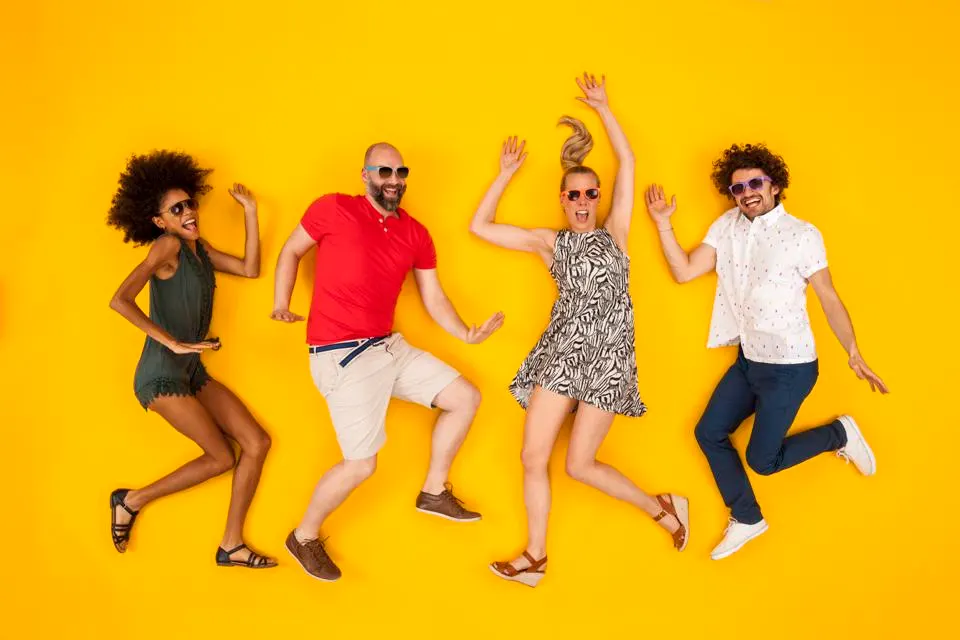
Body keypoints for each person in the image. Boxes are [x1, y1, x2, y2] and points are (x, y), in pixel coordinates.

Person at [471, 74, 690, 588]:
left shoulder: (617, 232)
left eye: (592, 192)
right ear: (563, 199)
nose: (584, 200)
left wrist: (604, 108)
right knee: (532, 456)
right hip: (564, 355)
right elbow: (480, 226)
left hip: (609, 359)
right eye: (575, 194)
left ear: (599, 196)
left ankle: (661, 507)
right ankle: (536, 557)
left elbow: (628, 162)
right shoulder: (550, 242)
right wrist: (504, 175)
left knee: (580, 465)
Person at [272, 142, 504, 582]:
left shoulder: (415, 233)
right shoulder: (333, 208)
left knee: (465, 397)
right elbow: (290, 251)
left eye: (400, 172)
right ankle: (303, 536)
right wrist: (281, 303)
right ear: (365, 175)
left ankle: (433, 491)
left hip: (387, 347)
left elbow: (434, 297)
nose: (394, 180)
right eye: (384, 171)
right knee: (361, 465)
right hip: (343, 355)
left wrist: (466, 333)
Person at [645, 143, 888, 560]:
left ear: (774, 185)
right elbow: (684, 272)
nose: (747, 193)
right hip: (749, 362)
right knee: (708, 432)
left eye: (755, 183)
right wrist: (663, 224)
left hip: (790, 368)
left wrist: (852, 350)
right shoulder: (727, 226)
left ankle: (839, 434)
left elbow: (828, 296)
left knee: (763, 461)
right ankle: (747, 517)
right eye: (737, 188)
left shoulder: (802, 235)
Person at [107, 150, 275, 569]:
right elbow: (120, 300)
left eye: (190, 204)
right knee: (221, 457)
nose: (188, 213)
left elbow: (250, 269)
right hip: (162, 374)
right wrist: (174, 343)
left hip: (191, 372)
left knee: (256, 442)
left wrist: (251, 212)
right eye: (176, 209)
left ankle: (231, 545)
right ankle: (131, 500)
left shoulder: (199, 251)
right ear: (159, 221)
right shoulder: (167, 247)